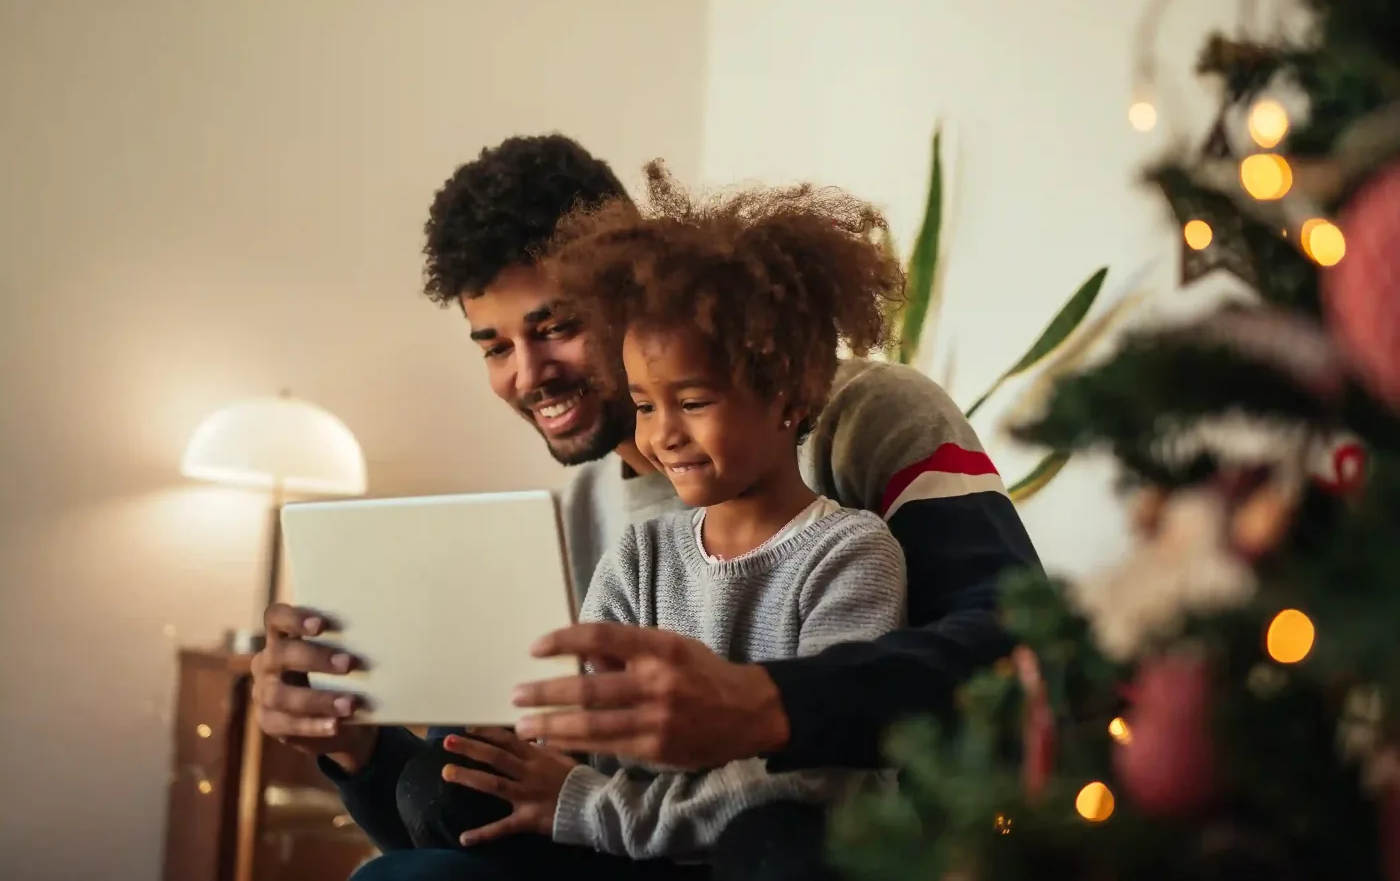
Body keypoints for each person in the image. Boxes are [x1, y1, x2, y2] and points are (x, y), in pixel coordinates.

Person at [250, 134, 1040, 880]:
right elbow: (509, 816)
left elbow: (1021, 647)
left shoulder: (868, 418)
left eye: (556, 327)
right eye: (494, 347)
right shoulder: (589, 518)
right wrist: (357, 747)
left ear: (629, 289)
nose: (528, 374)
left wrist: (768, 703)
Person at [428, 163, 909, 871]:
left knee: (772, 841)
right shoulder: (639, 556)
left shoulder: (852, 554)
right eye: (644, 405)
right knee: (441, 785)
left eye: (692, 402)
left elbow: (814, 771)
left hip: (768, 854)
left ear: (789, 396)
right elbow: (587, 735)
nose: (662, 435)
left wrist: (593, 807)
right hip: (640, 843)